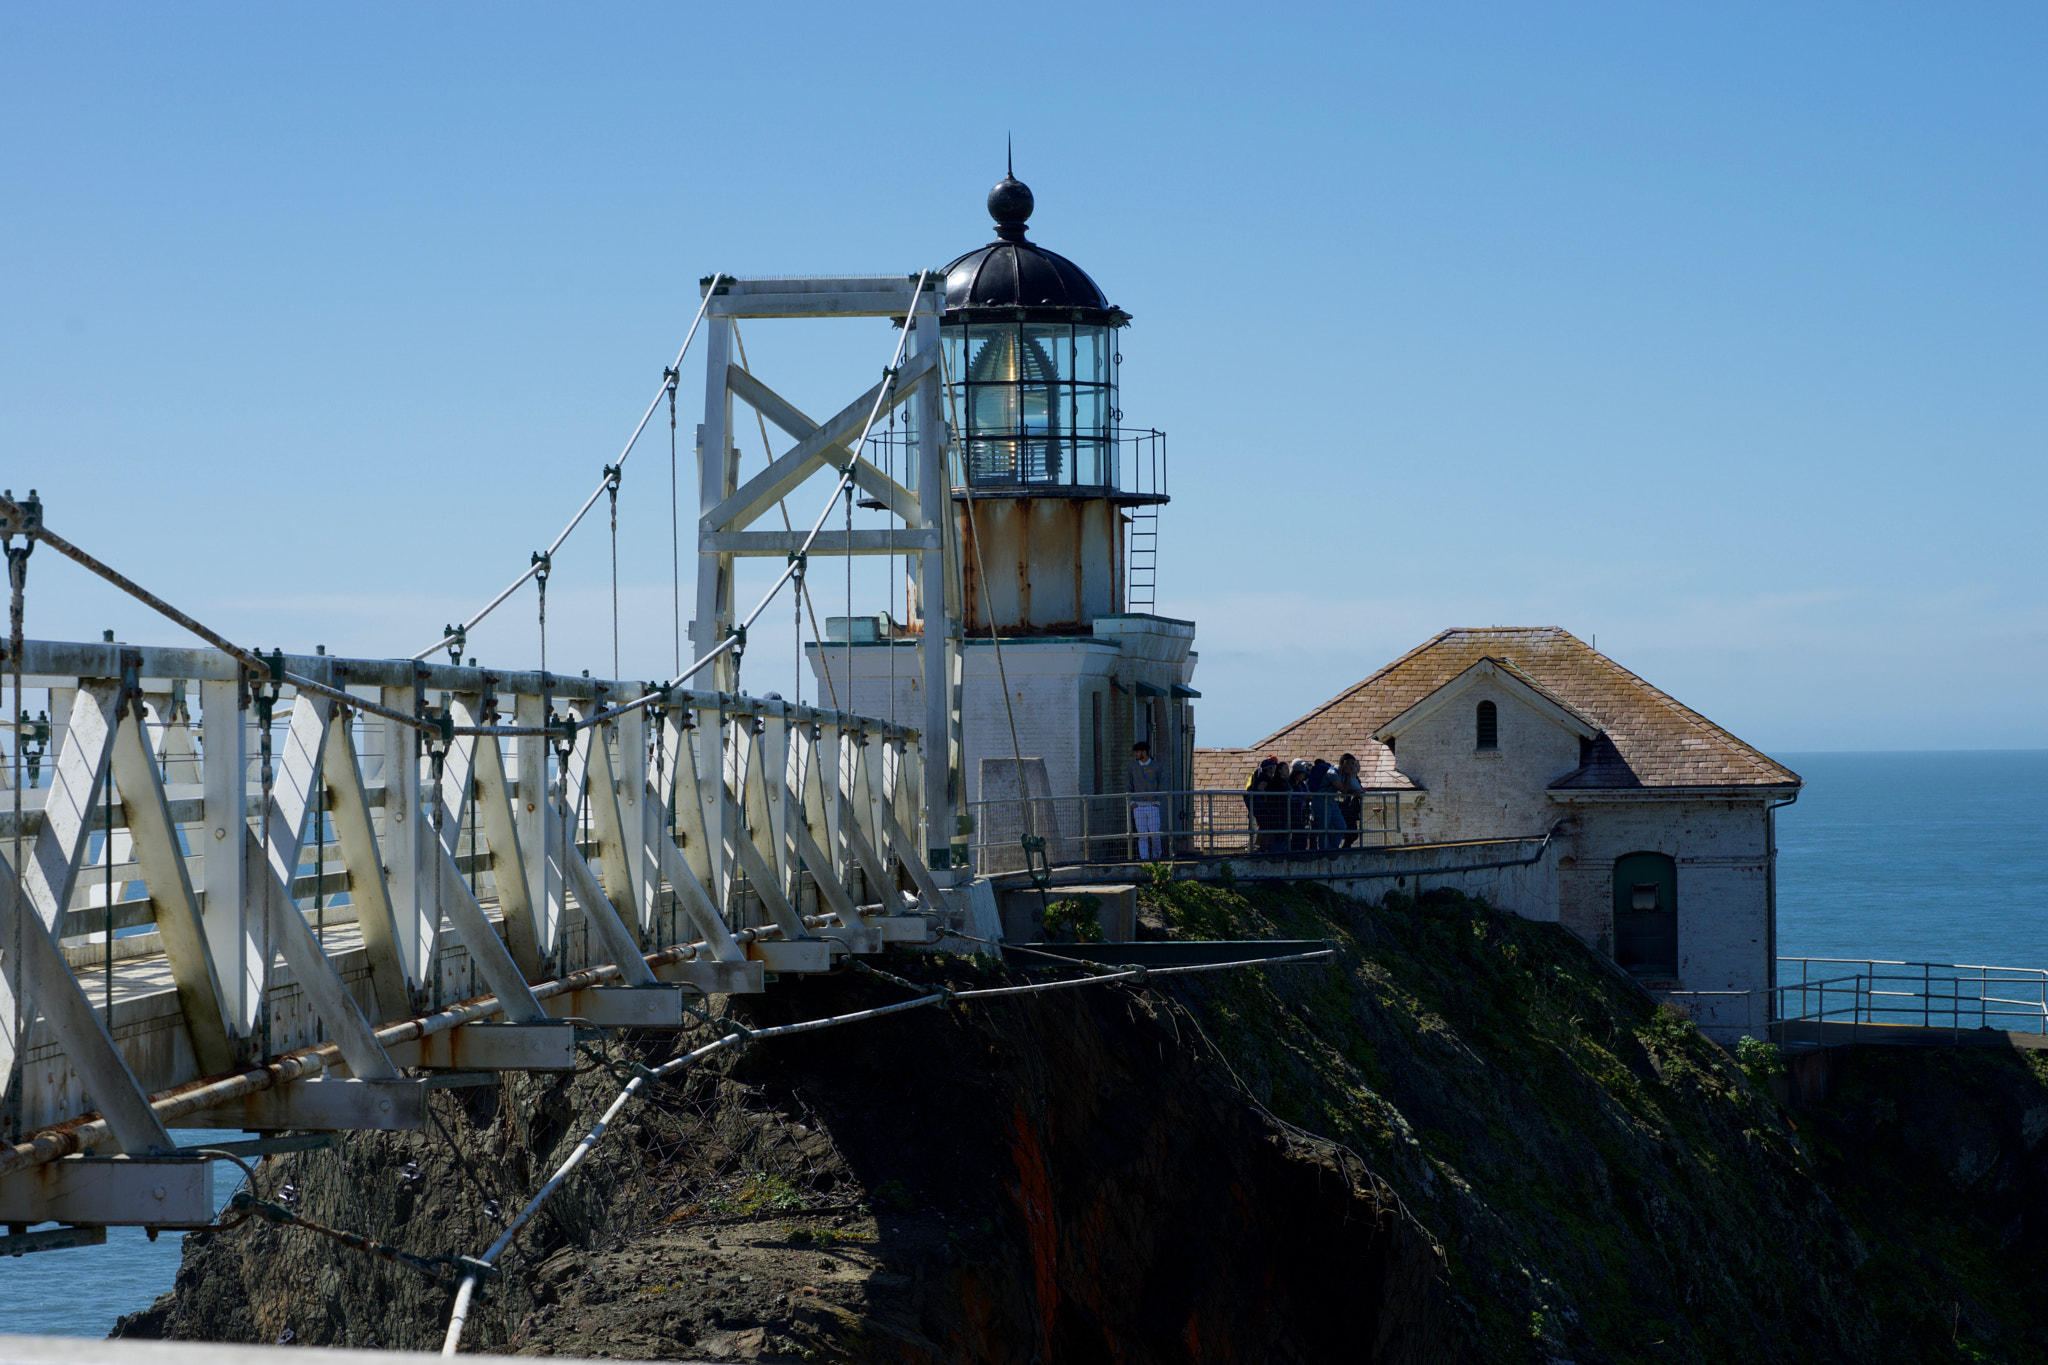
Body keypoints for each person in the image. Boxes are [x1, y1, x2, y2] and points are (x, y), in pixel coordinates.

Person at [1127, 740, 1166, 861]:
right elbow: (1129, 785)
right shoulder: (1132, 767)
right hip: (1138, 805)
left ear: (1144, 752)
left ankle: (1156, 857)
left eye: (1138, 752)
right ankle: (1144, 858)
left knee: (1155, 833)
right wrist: (1132, 802)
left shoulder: (1157, 767)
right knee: (1142, 835)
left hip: (1152, 804)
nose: (1136, 754)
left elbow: (1162, 784)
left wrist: (1157, 801)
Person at [1334, 753, 1366, 849]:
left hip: (1354, 808)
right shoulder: (1346, 776)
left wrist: (1361, 790)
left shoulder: (1355, 778)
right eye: (1354, 765)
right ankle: (1342, 849)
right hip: (1348, 808)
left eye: (1357, 765)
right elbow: (1345, 790)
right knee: (1351, 833)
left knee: (1352, 833)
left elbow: (1358, 788)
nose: (1356, 767)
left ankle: (1344, 848)